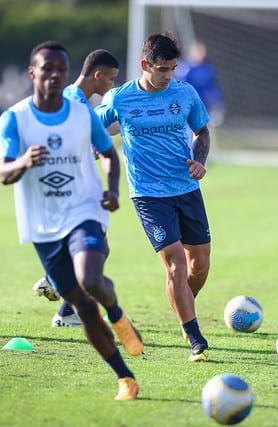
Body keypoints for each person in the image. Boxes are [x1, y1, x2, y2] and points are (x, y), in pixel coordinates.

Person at [0, 40, 139, 400]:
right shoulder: (14, 118)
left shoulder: (81, 113)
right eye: (48, 69)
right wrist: (24, 161)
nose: (55, 75)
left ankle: (118, 314)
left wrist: (113, 190)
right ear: (32, 73)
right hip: (42, 224)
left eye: (61, 69)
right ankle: (125, 377)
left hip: (84, 209)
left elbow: (108, 153)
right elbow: (3, 174)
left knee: (91, 279)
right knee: (83, 309)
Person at [96, 32, 212, 363]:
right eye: (163, 69)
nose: (168, 76)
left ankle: (182, 303)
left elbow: (202, 131)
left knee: (199, 265)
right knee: (174, 262)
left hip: (187, 189)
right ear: (145, 65)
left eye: (173, 69)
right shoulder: (120, 98)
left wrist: (199, 161)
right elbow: (94, 125)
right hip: (148, 194)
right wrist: (93, 145)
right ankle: (194, 336)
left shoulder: (185, 93)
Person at [31, 49, 124, 329]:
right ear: (97, 75)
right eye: (110, 79)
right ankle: (56, 284)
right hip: (71, 187)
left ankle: (65, 309)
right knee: (96, 249)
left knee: (100, 248)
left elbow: (94, 133)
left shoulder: (77, 100)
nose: (111, 86)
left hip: (69, 185)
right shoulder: (74, 102)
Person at [175, 41, 225, 127]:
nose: (201, 54)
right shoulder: (184, 69)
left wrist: (218, 102)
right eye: (198, 51)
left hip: (203, 105)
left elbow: (212, 88)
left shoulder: (207, 69)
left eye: (202, 52)